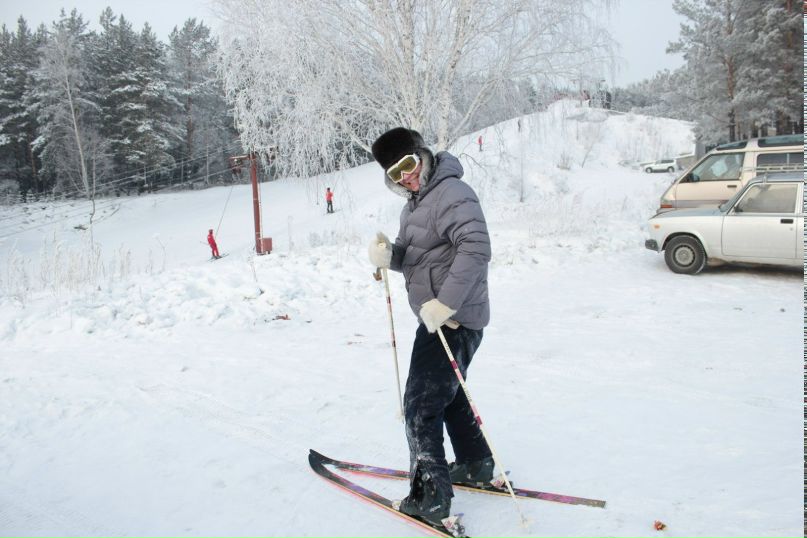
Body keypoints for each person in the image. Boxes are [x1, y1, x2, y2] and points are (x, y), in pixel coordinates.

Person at [368, 127, 493, 526]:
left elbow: (476, 247)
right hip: (441, 317)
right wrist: (390, 256)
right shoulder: (416, 204)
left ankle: (430, 498)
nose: (404, 176)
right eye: (395, 174)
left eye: (407, 165)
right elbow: (418, 257)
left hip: (453, 317)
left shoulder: (452, 192)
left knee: (420, 406)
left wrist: (446, 303)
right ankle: (475, 463)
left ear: (422, 156)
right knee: (447, 396)